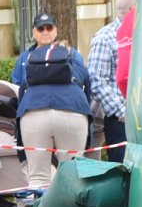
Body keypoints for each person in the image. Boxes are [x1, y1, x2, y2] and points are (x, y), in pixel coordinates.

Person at [12, 12, 94, 190]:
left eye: (49, 28)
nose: (45, 32)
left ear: (56, 30)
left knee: (38, 179)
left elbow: (21, 89)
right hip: (73, 110)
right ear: (34, 32)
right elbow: (88, 86)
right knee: (72, 175)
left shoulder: (28, 61)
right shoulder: (72, 57)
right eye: (41, 28)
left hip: (32, 112)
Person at [86, 0, 135, 207]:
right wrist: (122, 109)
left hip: (141, 115)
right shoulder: (106, 37)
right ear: (130, 11)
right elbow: (97, 80)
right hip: (118, 117)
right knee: (118, 170)